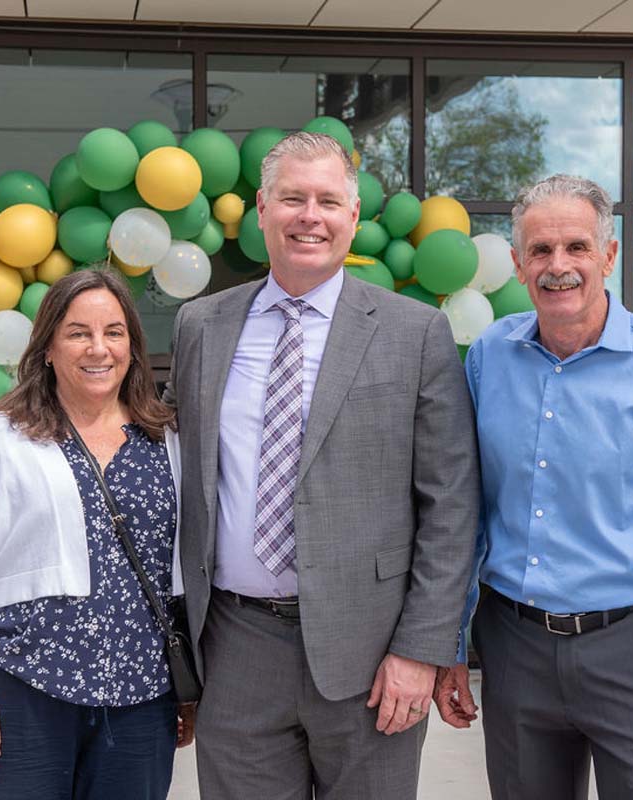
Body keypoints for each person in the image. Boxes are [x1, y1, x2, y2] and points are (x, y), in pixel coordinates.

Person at [164, 131, 479, 799]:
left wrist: (421, 650)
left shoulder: (414, 332)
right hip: (236, 643)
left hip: (373, 654)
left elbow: (451, 503)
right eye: (293, 198)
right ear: (261, 210)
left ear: (354, 218)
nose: (311, 216)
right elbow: (153, 441)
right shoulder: (202, 324)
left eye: (329, 201)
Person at [434, 174, 633, 799]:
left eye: (577, 247)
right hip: (513, 647)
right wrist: (449, 642)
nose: (559, 267)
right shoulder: (488, 356)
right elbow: (464, 511)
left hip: (631, 654)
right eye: (541, 251)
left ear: (608, 254)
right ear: (518, 264)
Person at [0, 269, 193, 800]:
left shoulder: (166, 437)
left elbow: (185, 570)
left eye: (114, 332)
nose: (99, 348)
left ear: (133, 347)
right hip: (23, 692)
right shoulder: (2, 439)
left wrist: (187, 688)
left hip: (141, 699)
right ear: (48, 346)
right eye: (78, 332)